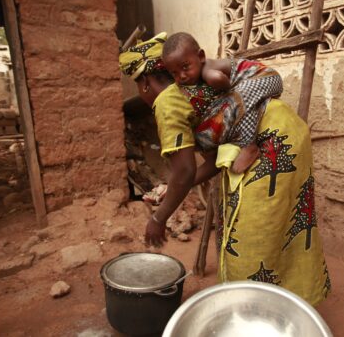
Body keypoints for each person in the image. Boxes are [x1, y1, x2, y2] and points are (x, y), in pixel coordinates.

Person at [119, 32, 330, 307]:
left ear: (145, 83)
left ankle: (256, 312)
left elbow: (184, 173)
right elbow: (212, 161)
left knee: (251, 237)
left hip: (273, 144)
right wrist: (171, 188)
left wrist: (158, 219)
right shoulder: (192, 88)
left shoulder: (168, 103)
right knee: (279, 230)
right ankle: (284, 306)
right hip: (288, 133)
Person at [162, 32, 283, 174]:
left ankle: (249, 145)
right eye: (174, 73)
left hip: (266, 77)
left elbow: (219, 79)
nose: (181, 76)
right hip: (253, 88)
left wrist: (222, 90)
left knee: (235, 99)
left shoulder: (207, 69)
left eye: (185, 67)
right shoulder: (191, 82)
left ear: (201, 57)